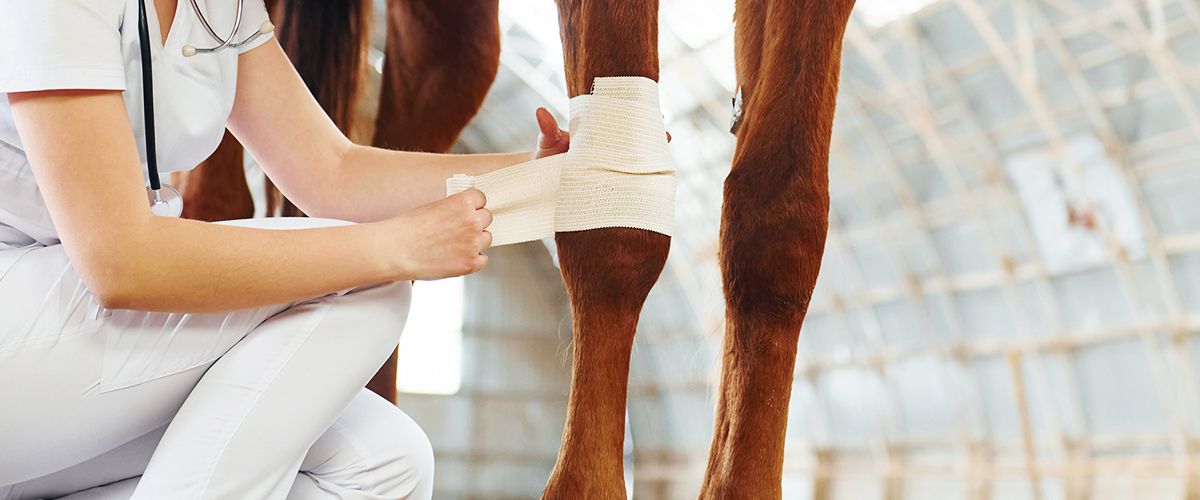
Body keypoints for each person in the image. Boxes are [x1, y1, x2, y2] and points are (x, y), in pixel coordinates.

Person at [0, 0, 570, 498]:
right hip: (20, 338)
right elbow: (119, 261)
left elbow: (332, 172)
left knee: (385, 462)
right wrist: (392, 247)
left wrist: (546, 176)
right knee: (365, 280)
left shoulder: (223, 5)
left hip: (62, 352)